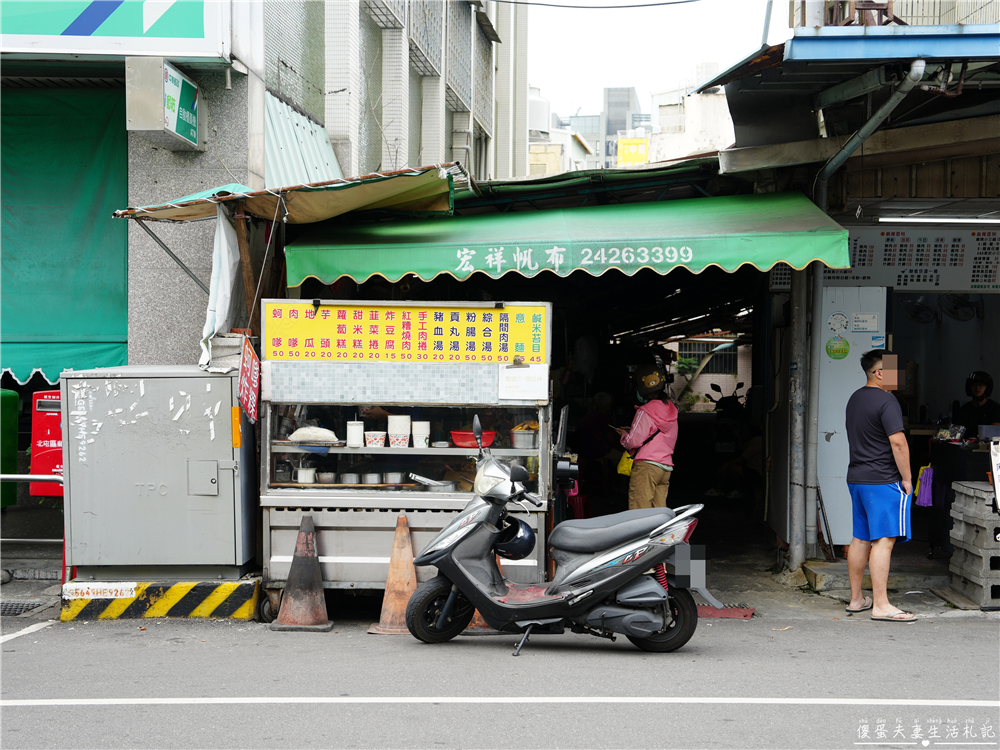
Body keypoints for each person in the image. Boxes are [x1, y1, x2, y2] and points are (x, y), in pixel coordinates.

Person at [844, 350, 916, 623]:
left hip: (857, 478)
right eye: (896, 370)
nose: (902, 376)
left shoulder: (855, 398)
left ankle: (856, 600)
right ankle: (882, 605)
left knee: (860, 538)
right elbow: (898, 443)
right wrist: (907, 478)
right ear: (880, 373)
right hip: (883, 480)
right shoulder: (888, 400)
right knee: (883, 541)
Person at [615, 364, 679, 510]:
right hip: (665, 467)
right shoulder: (671, 409)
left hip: (647, 467)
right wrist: (635, 430)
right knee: (659, 513)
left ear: (642, 388)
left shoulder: (645, 411)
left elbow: (633, 442)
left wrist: (625, 435)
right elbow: (666, 436)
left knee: (640, 511)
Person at [952, 371, 1000, 440]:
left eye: (981, 385)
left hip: (987, 447)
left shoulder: (995, 408)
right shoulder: (963, 410)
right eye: (974, 384)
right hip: (965, 446)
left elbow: (995, 433)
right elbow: (955, 435)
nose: (977, 387)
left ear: (987, 388)